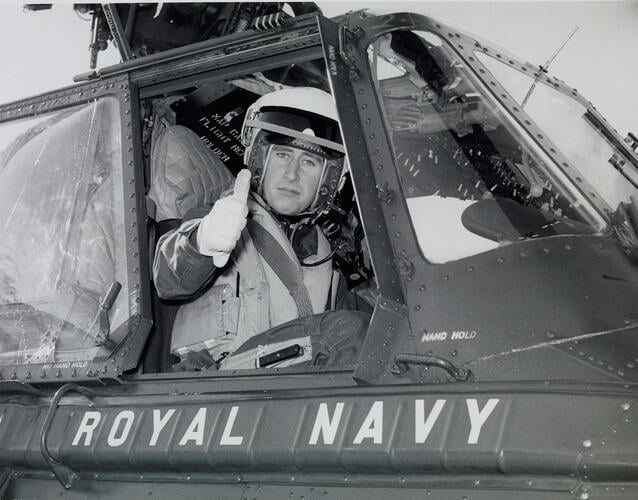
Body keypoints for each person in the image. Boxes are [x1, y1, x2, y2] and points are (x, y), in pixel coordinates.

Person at [153, 87, 370, 371]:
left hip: (287, 391)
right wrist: (204, 241)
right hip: (219, 385)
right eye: (282, 155)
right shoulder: (223, 219)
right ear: (258, 159)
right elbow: (168, 276)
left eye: (308, 162)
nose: (292, 174)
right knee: (348, 331)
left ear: (330, 179)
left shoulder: (325, 262)